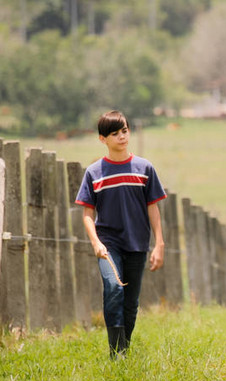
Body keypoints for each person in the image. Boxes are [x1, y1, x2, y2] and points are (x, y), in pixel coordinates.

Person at [76, 110, 167, 359]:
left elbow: (153, 208)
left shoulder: (144, 168)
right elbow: (87, 213)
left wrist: (159, 243)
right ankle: (116, 354)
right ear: (102, 139)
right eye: (114, 133)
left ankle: (123, 350)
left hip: (137, 243)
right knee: (114, 288)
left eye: (124, 130)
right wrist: (96, 242)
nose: (122, 136)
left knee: (131, 302)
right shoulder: (94, 173)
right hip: (108, 244)